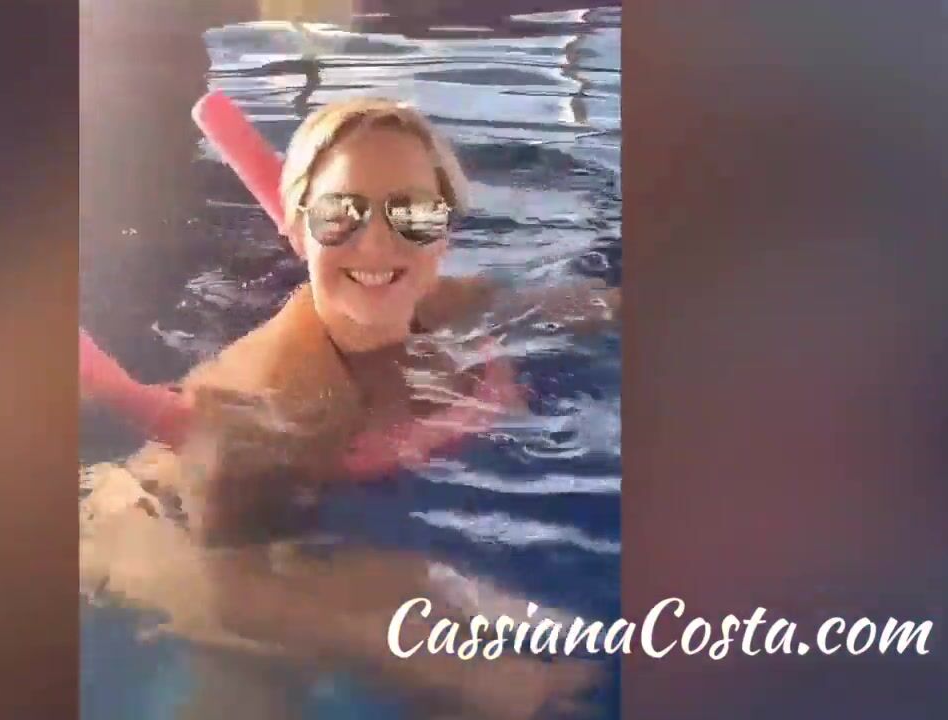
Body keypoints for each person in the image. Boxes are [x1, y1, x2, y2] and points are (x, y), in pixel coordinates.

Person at [80, 98, 617, 719]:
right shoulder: (271, 397)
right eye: (341, 213)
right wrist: (446, 666)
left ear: (445, 231)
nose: (378, 243)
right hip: (154, 532)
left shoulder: (438, 305)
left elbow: (559, 307)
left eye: (412, 213)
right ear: (296, 228)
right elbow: (225, 585)